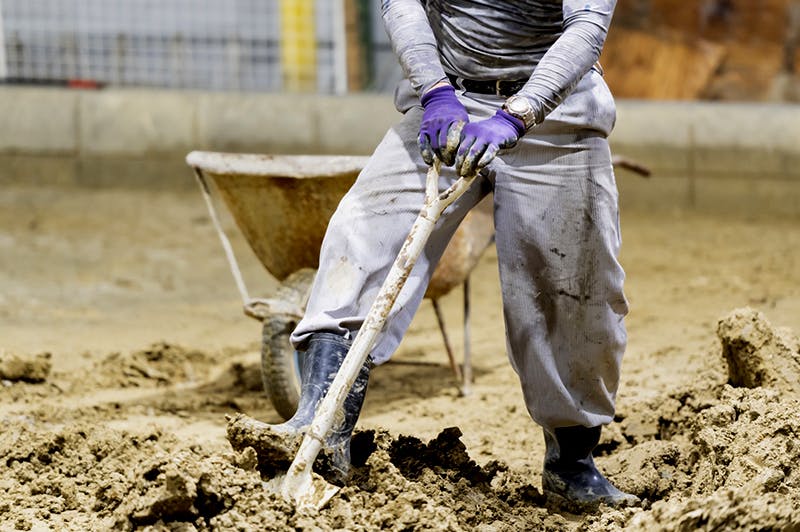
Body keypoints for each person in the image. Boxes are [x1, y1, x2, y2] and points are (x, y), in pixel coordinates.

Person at [274, 0, 638, 509]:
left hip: (559, 114)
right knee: (358, 240)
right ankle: (320, 432)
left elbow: (587, 26)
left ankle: (571, 465)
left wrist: (519, 114)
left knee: (575, 295)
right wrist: (435, 92)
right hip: (448, 103)